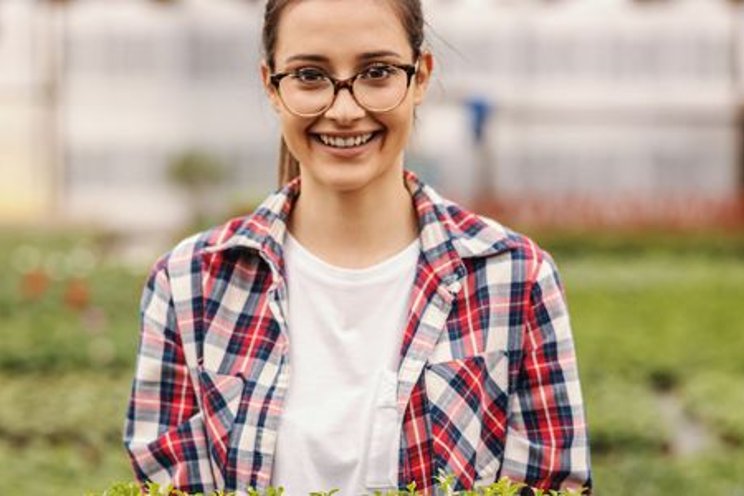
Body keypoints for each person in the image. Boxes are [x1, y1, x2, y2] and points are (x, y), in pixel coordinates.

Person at [123, 0, 592, 494]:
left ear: (421, 78)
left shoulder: (513, 277)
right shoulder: (190, 283)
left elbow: (551, 484)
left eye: (377, 72)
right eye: (309, 75)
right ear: (271, 86)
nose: (344, 111)